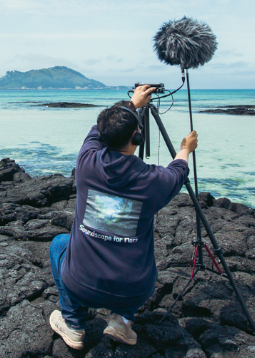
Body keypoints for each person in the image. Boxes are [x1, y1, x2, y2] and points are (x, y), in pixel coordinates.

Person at [49, 84, 198, 349]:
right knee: (144, 259)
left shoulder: (86, 162)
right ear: (137, 138)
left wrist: (131, 105)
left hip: (81, 283)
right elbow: (178, 170)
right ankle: (122, 321)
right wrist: (186, 148)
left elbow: (97, 132)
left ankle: (73, 324)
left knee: (59, 244)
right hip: (132, 290)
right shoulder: (154, 181)